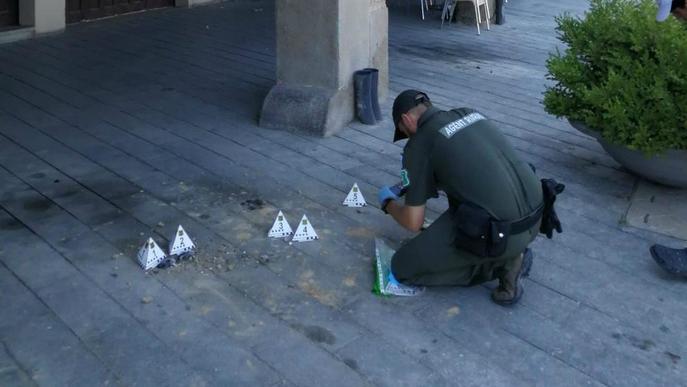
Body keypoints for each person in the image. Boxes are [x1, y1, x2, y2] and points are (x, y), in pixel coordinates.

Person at [378, 90, 548, 305]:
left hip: (502, 233)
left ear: (406, 120)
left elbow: (413, 222)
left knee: (401, 267)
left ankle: (504, 264)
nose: (408, 138)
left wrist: (388, 203)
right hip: (537, 212)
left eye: (404, 132)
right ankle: (511, 252)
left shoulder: (419, 143)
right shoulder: (468, 113)